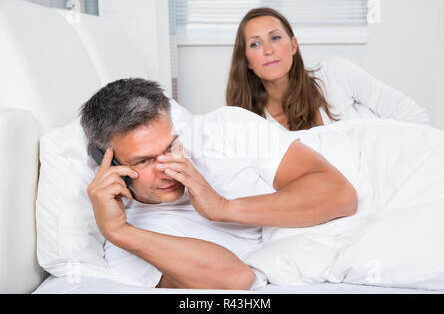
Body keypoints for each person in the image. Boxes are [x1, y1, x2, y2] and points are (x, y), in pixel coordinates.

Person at [79, 78, 358, 290]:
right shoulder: (128, 246)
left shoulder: (226, 128)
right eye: (143, 161)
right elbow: (236, 279)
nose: (166, 170)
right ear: (111, 165)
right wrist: (118, 231)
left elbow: (341, 195)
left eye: (170, 146)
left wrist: (223, 207)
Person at [226, 7, 429, 131]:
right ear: (247, 61)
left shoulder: (335, 75)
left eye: (275, 37)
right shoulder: (253, 124)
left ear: (293, 45)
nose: (268, 50)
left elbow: (412, 116)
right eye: (255, 44)